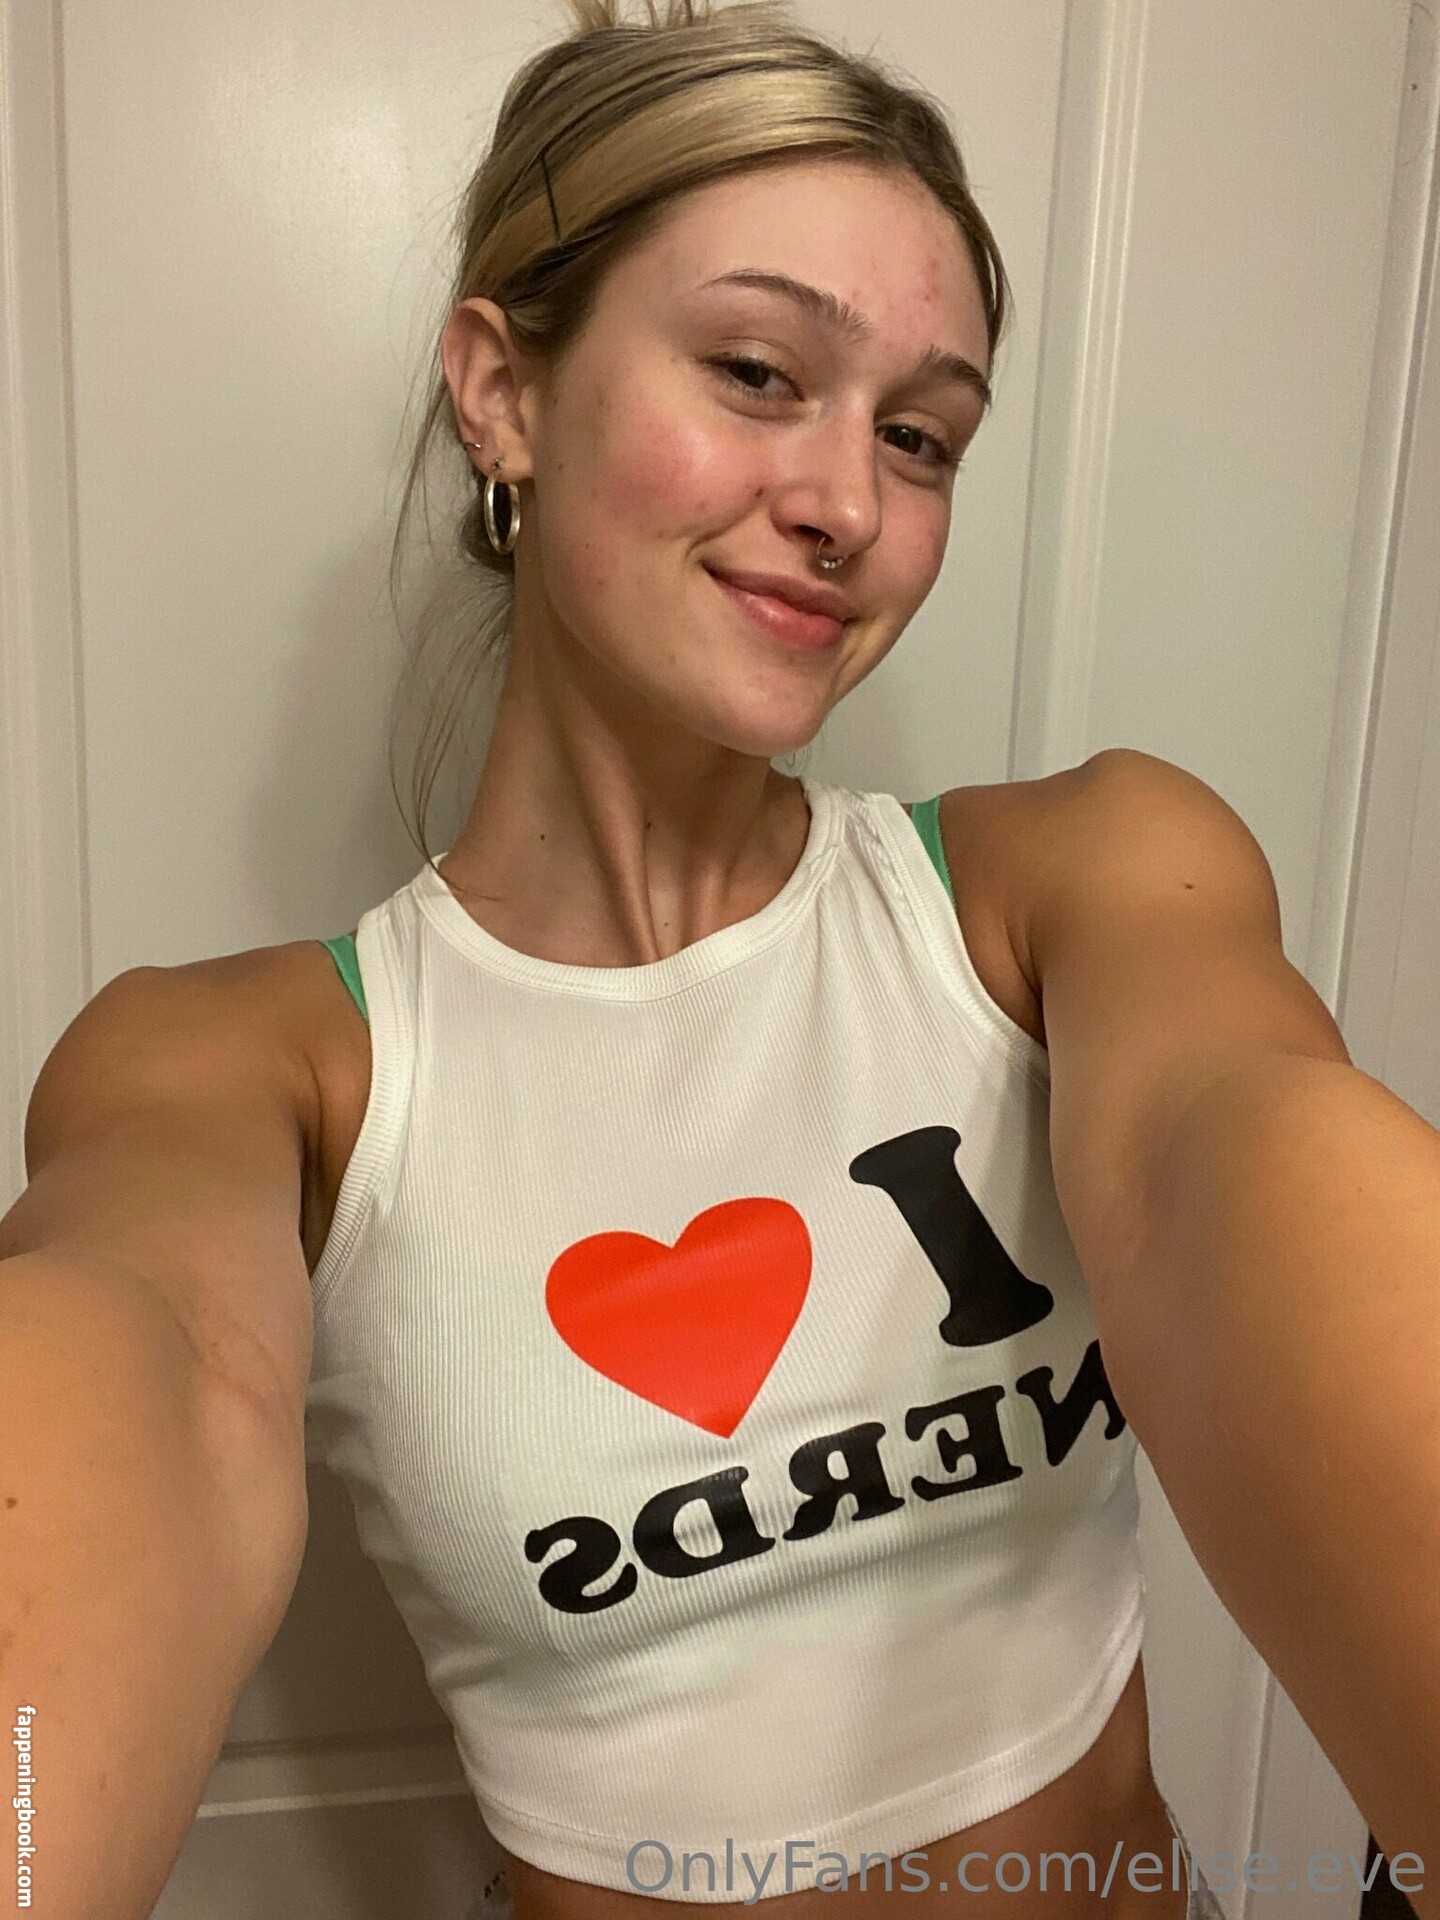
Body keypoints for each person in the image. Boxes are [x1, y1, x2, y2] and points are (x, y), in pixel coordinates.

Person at [2, 4, 1436, 1919]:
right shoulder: (257, 1066)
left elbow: (1233, 1166)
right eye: (759, 372)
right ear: (502, 390)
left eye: (920, 436)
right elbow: (146, 1377)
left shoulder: (1071, 886)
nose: (851, 505)